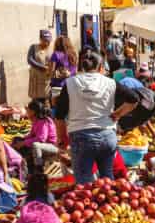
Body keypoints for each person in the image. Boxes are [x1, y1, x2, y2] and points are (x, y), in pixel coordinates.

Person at [55, 50, 137, 184]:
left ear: (81, 67)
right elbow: (134, 99)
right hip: (107, 137)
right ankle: (110, 203)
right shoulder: (110, 82)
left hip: (81, 138)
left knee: (84, 185)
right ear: (100, 67)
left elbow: (59, 115)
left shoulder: (70, 83)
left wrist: (62, 138)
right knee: (107, 181)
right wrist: (118, 114)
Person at [15, 98, 59, 168]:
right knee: (17, 139)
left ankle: (39, 168)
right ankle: (22, 164)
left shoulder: (43, 121)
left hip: (52, 146)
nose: (27, 112)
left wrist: (24, 142)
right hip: (44, 144)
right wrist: (22, 138)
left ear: (33, 112)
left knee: (36, 145)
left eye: (28, 110)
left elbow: (41, 139)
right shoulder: (36, 120)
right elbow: (32, 134)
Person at [27, 29, 52, 101]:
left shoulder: (51, 49)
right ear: (40, 39)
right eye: (45, 41)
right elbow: (30, 59)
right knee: (35, 101)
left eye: (48, 41)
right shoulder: (33, 47)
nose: (47, 43)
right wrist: (42, 67)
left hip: (46, 80)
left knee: (46, 100)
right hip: (35, 78)